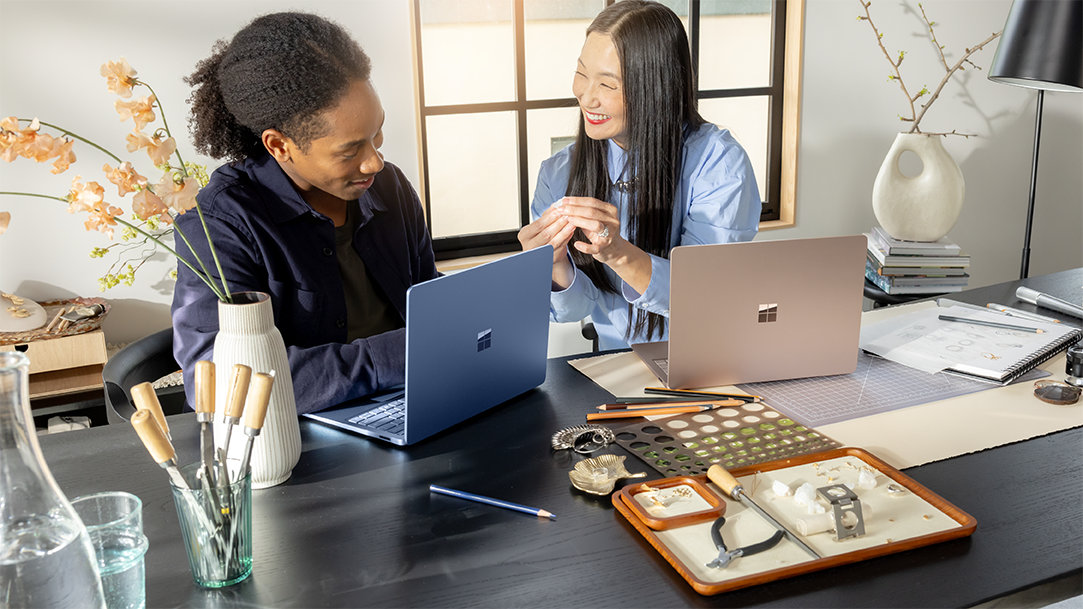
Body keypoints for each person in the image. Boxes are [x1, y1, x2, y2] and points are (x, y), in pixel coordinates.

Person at [172, 12, 437, 414]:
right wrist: (400, 354)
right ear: (279, 145)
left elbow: (428, 297)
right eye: (350, 151)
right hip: (306, 447)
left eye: (376, 134)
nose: (374, 163)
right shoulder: (220, 225)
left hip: (417, 408)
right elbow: (219, 382)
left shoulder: (390, 189)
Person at [517, 0, 761, 351]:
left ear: (656, 87)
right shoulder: (559, 172)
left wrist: (617, 252)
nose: (586, 97)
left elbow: (707, 294)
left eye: (607, 84)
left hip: (707, 359)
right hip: (612, 366)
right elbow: (577, 308)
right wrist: (551, 264)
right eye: (582, 73)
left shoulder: (718, 161)